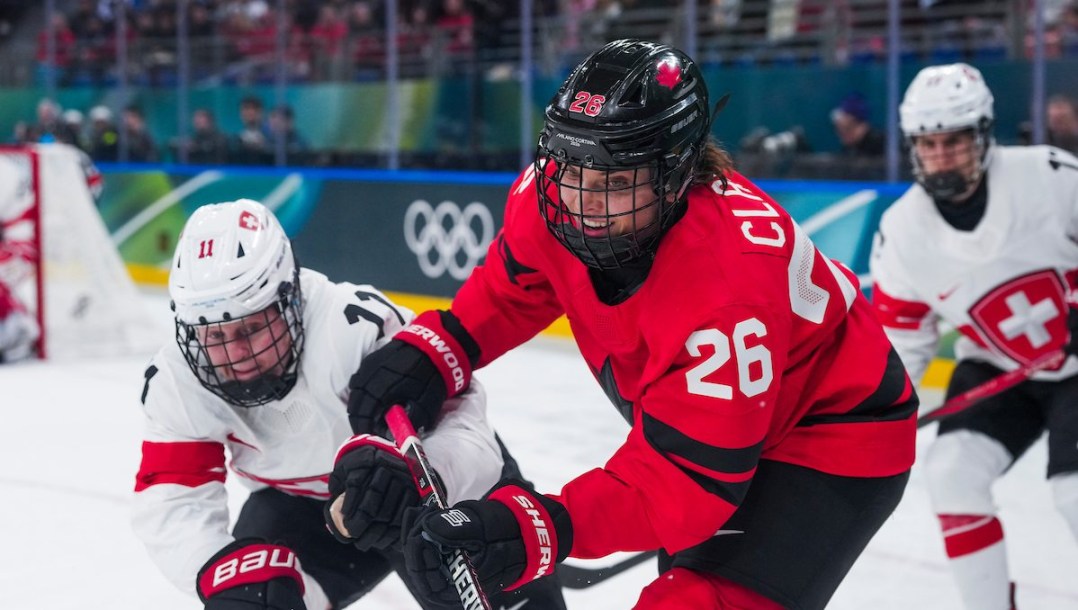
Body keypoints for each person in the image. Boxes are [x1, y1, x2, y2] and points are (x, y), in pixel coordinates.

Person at [339, 39, 918, 609]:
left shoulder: (726, 288)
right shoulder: (557, 195)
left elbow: (688, 478)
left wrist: (540, 528)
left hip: (827, 437)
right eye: (572, 167)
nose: (585, 199)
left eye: (615, 180)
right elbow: (520, 283)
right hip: (717, 426)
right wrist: (447, 344)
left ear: (676, 175)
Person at [131, 199, 565, 610]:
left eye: (250, 330)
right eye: (215, 337)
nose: (235, 357)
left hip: (427, 490)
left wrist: (424, 476)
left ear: (290, 297)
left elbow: (470, 431)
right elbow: (173, 496)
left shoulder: (354, 329)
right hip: (303, 506)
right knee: (252, 596)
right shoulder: (177, 379)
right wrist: (215, 566)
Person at [869, 62, 1078, 610]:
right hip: (998, 365)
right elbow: (901, 343)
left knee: (1074, 492)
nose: (940, 156)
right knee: (951, 474)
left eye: (954, 142)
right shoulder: (903, 231)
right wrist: (881, 414)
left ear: (983, 135)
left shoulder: (1053, 177)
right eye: (928, 143)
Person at [830, 92, 885, 157]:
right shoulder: (850, 148)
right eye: (839, 129)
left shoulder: (881, 144)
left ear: (862, 125)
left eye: (847, 128)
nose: (842, 134)